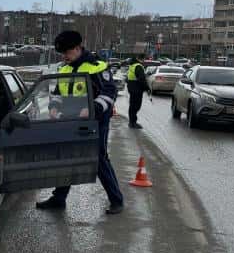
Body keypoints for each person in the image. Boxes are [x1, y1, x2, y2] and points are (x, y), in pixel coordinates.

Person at [36, 30, 124, 215]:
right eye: (62, 53)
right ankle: (59, 198)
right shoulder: (64, 68)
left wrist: (93, 109)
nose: (64, 56)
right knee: (67, 157)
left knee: (99, 159)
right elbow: (58, 94)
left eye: (67, 52)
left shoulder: (97, 66)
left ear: (77, 48)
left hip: (95, 122)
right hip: (70, 120)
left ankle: (116, 200)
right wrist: (54, 106)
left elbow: (109, 93)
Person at [126, 53, 150, 129]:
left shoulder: (132, 65)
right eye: (144, 59)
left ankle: (131, 122)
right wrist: (147, 88)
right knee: (136, 106)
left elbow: (128, 77)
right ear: (142, 59)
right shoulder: (138, 66)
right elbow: (142, 79)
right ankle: (133, 123)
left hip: (131, 88)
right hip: (137, 89)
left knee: (132, 106)